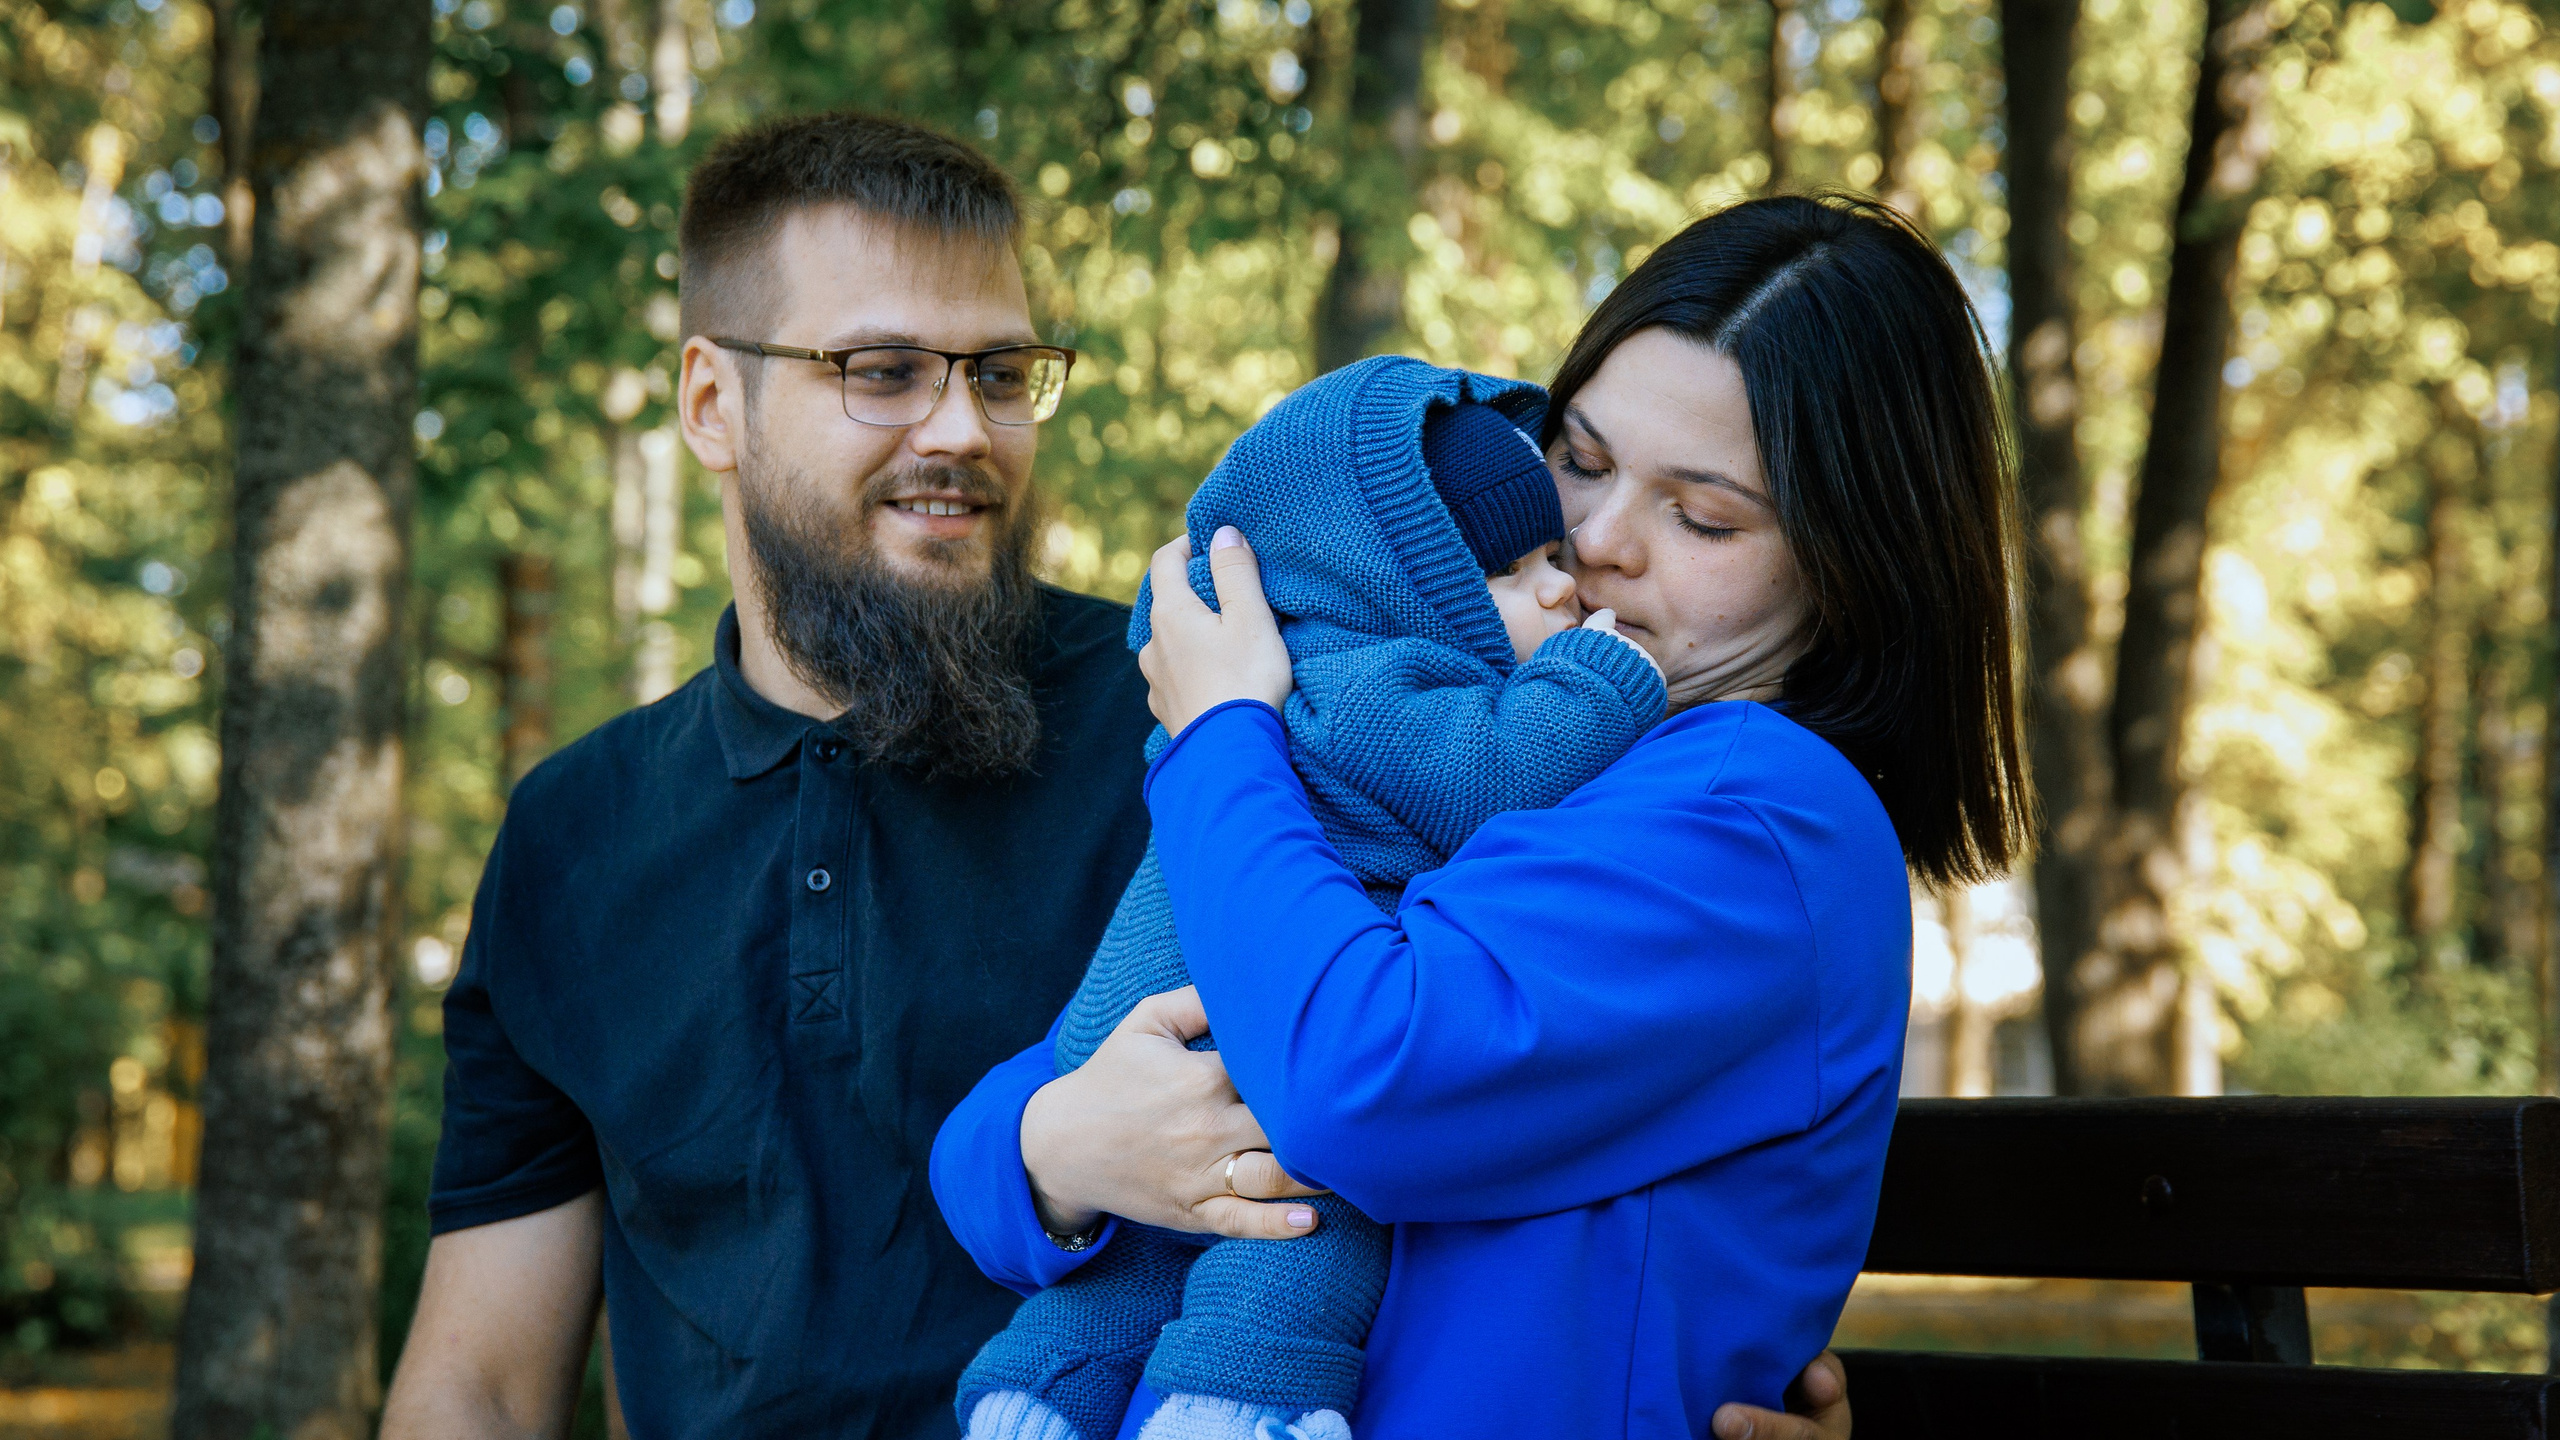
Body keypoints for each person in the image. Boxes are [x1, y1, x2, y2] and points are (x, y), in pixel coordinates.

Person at [376, 109, 1852, 1440]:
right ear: (710, 402)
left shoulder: (1228, 712)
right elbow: (481, 1384)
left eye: (1002, 372)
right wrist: (1043, 1146)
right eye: (879, 371)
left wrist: (1706, 1362)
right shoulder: (573, 839)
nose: (960, 427)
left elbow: (1558, 1023)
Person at [935, 195, 2031, 1436]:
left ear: (1852, 562)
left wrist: (1220, 737)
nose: (1601, 542)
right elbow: (1023, 1111)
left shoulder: (1755, 813)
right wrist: (1057, 1147)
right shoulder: (1500, 733)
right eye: (1581, 461)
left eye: (1704, 515)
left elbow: (1359, 1084)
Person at [957, 361, 1667, 1440]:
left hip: (1152, 1031)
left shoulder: (1294, 688)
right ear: (1410, 588)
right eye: (1514, 571)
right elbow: (1494, 775)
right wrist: (1602, 683)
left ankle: (1038, 1394)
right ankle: (1243, 1403)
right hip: (1230, 1045)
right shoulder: (1373, 692)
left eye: (1554, 558)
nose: (1566, 589)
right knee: (1303, 1215)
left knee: (1157, 1256)